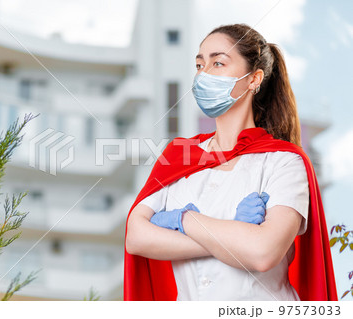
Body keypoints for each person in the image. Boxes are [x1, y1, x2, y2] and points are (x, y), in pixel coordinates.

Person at [124, 23, 337, 301]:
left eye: (218, 63)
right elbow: (136, 237)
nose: (204, 75)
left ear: (254, 79)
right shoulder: (179, 156)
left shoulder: (285, 162)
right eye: (200, 65)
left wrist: (183, 220)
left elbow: (263, 253)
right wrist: (235, 236)